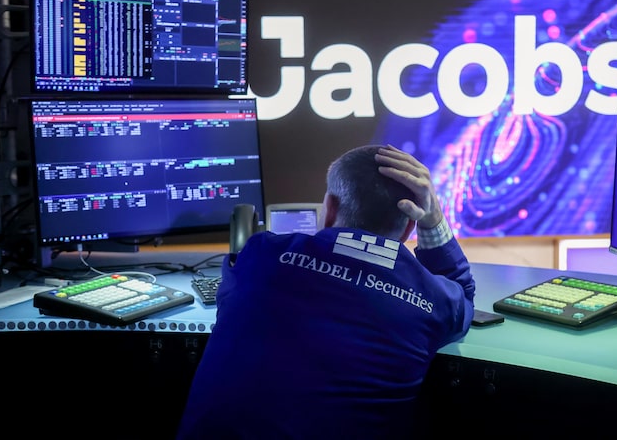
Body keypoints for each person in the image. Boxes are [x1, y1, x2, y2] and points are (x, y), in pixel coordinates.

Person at [176, 144, 476, 439]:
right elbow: (463, 296)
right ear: (410, 227)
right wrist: (433, 218)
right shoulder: (433, 300)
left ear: (330, 208)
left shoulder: (260, 254)